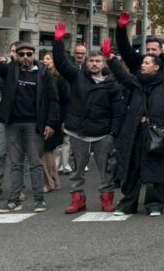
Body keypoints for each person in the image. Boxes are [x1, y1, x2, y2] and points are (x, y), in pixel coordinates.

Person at [0, 27, 60, 213]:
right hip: (12, 124)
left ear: (34, 55)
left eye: (29, 54)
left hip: (34, 124)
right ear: (16, 55)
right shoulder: (9, 70)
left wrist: (50, 123)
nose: (25, 57)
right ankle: (14, 200)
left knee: (35, 162)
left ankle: (39, 199)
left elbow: (54, 100)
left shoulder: (43, 73)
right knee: (15, 163)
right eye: (21, 53)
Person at [51, 24, 124, 214]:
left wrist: (114, 133)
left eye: (98, 61)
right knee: (76, 170)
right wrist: (58, 42)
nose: (94, 64)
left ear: (103, 64)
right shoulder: (77, 76)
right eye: (91, 61)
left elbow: (118, 110)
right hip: (78, 132)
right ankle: (77, 199)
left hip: (103, 133)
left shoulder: (112, 84)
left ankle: (107, 199)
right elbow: (60, 63)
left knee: (106, 169)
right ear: (86, 62)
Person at [106, 40, 164, 217]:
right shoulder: (136, 81)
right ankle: (128, 203)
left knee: (155, 169)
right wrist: (110, 59)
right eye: (143, 63)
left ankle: (154, 204)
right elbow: (122, 75)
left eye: (146, 63)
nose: (142, 65)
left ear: (156, 67)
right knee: (132, 168)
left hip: (156, 134)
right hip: (135, 131)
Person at [39, 50, 67, 192]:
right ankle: (53, 181)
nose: (45, 61)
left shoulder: (60, 78)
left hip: (55, 118)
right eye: (44, 59)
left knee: (46, 150)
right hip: (46, 117)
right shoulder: (43, 76)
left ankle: (48, 182)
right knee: (47, 151)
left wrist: (62, 121)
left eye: (48, 59)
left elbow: (65, 100)